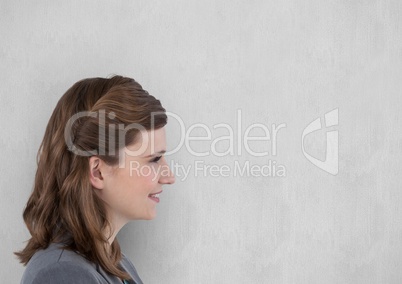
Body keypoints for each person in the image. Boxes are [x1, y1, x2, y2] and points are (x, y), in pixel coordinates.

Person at [15, 75, 175, 284]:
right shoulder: (62, 273)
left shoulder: (116, 264)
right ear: (98, 172)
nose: (168, 177)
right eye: (153, 159)